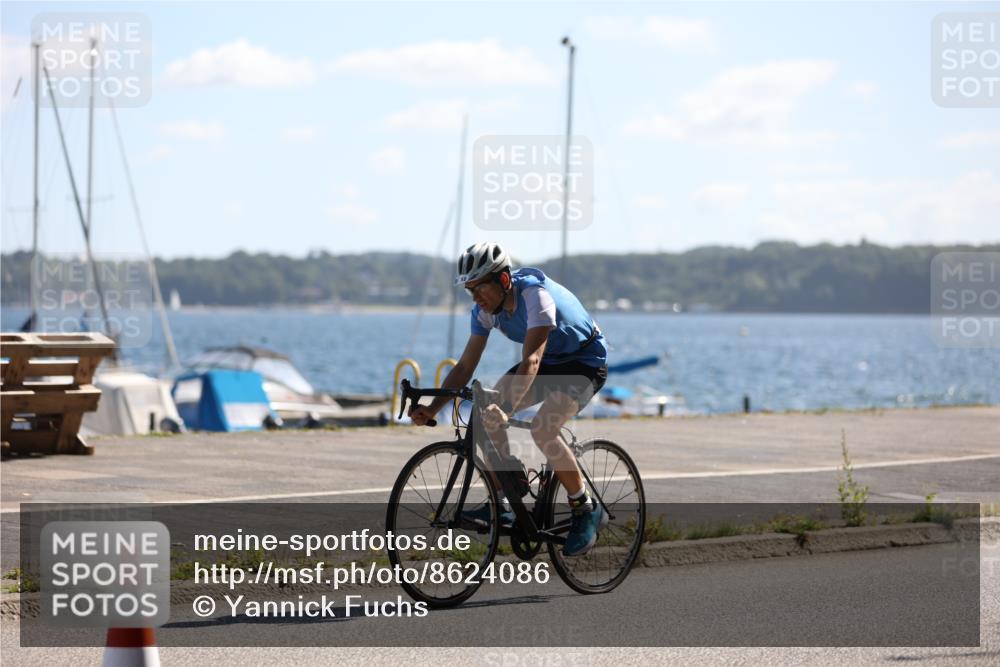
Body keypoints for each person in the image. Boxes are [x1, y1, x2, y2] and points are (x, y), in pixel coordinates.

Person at [409, 242, 609, 556]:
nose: (476, 298)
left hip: (584, 362)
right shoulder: (484, 312)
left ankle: (585, 507)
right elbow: (464, 366)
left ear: (503, 280)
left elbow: (532, 360)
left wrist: (507, 410)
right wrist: (433, 408)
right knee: (483, 411)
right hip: (549, 362)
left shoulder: (535, 297)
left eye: (480, 288)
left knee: (543, 428)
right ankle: (505, 497)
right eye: (470, 291)